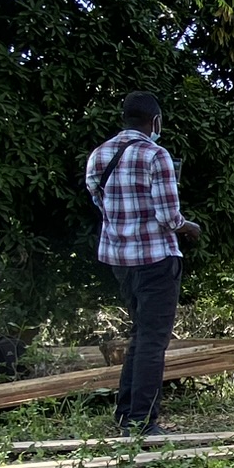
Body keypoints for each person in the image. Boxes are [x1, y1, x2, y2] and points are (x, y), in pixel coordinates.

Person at [87, 92, 201, 433]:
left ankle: (126, 413)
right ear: (156, 121)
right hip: (156, 258)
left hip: (120, 260)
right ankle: (142, 420)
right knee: (153, 340)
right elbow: (169, 217)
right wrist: (188, 226)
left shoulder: (99, 155)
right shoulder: (155, 155)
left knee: (140, 335)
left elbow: (100, 203)